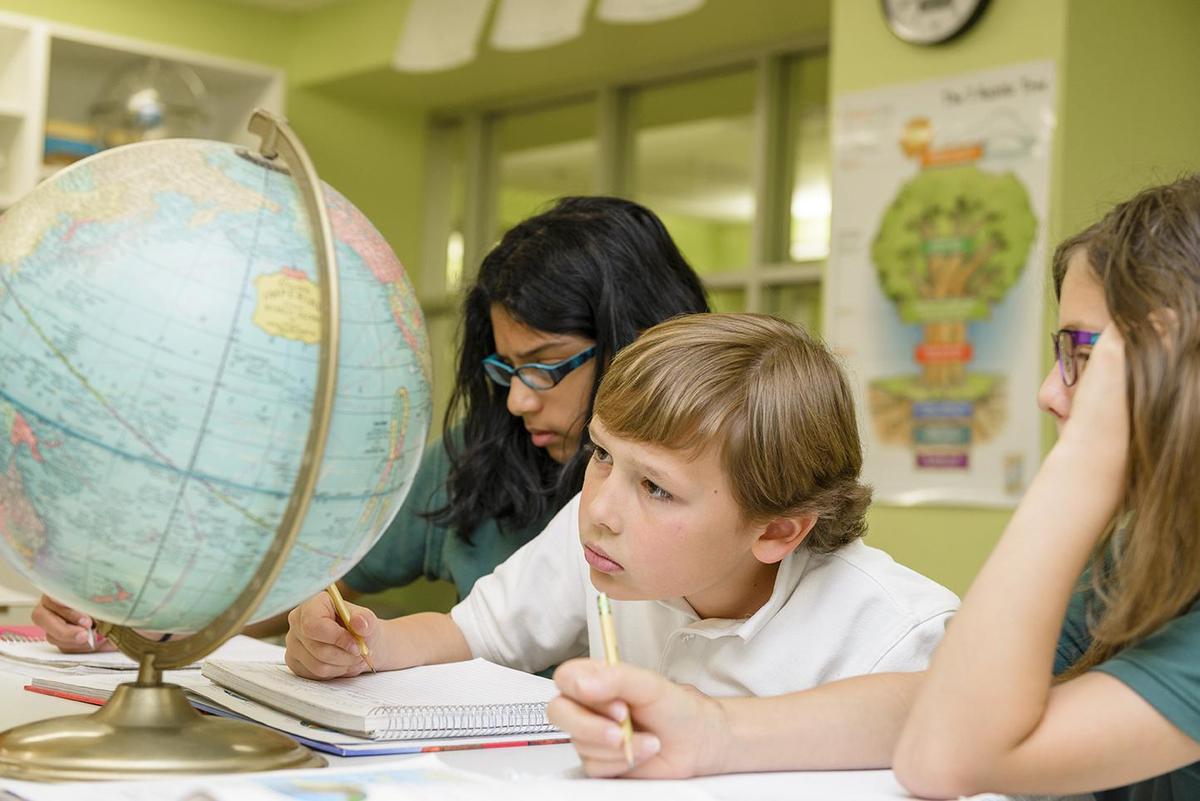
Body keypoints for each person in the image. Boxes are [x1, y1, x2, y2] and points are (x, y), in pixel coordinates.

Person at [550, 176, 1200, 797]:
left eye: (1085, 358)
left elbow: (947, 752)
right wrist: (713, 730)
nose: (1050, 393)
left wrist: (1083, 459)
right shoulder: (1145, 556)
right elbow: (941, 698)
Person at [31, 195, 710, 653]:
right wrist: (129, 617)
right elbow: (314, 586)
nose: (516, 402)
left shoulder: (728, 476)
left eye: (546, 366)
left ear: (637, 341)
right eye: (505, 370)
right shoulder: (481, 450)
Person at [284, 314, 959, 732]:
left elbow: (947, 728)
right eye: (603, 453)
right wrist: (360, 642)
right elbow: (472, 632)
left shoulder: (899, 632)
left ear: (779, 531)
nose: (600, 506)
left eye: (658, 488)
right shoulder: (603, 539)